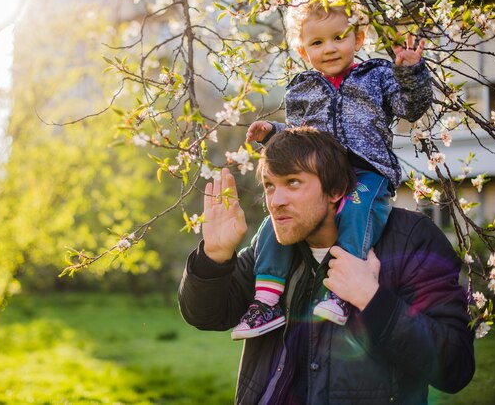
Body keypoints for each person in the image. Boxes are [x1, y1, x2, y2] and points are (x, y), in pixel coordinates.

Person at [178, 128, 475, 404]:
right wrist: (214, 257)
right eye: (269, 186)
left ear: (335, 190)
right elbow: (206, 316)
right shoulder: (270, 247)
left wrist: (372, 298)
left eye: (292, 182)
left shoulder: (411, 238)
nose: (276, 201)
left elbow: (455, 367)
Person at [235, 0, 432, 338]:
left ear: (358, 38)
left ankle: (341, 293)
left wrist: (410, 71)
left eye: (339, 37)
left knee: (356, 213)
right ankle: (266, 302)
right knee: (276, 221)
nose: (329, 48)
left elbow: (410, 108)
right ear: (303, 52)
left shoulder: (377, 74)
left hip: (367, 171)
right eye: (317, 42)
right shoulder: (302, 87)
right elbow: (299, 135)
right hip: (322, 174)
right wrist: (273, 133)